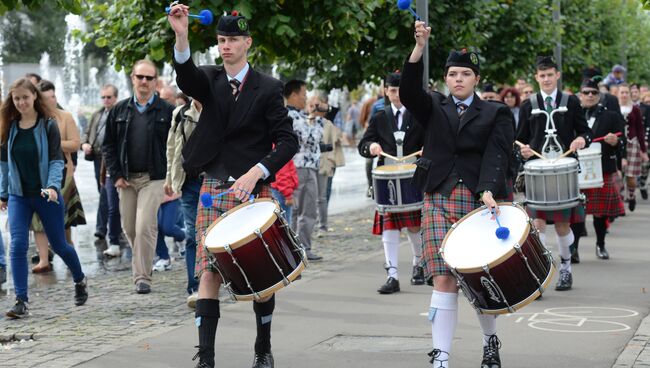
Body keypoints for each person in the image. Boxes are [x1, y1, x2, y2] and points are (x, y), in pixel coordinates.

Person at [168, 6, 298, 368]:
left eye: (233, 40)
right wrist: (181, 35)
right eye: (222, 40)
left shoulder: (269, 88)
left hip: (252, 189)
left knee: (262, 273)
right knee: (208, 269)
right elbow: (185, 76)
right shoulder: (208, 79)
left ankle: (263, 350)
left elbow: (288, 142)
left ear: (247, 43)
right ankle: (206, 359)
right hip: (213, 184)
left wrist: (257, 172)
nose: (226, 46)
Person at [401, 21, 514, 367]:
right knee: (443, 276)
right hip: (437, 196)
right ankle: (441, 356)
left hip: (478, 201)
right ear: (446, 78)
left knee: (480, 278)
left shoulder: (496, 111)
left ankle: (489, 341)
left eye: (466, 73)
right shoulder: (433, 106)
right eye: (453, 73)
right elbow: (408, 92)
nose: (459, 78)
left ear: (476, 78)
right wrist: (419, 48)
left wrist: (489, 190)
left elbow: (498, 153)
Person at [0, 78, 88, 318]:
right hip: (19, 196)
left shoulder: (47, 125)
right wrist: (3, 193)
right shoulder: (9, 126)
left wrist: (51, 186)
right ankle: (21, 300)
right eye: (16, 98)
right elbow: (4, 164)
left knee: (59, 245)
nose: (20, 102)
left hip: (45, 195)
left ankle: (80, 280)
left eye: (25, 98)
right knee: (17, 245)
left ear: (34, 97)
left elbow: (56, 160)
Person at [517, 56, 592, 291]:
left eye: (550, 75)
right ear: (537, 78)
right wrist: (524, 151)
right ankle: (541, 274)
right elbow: (520, 139)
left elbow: (585, 131)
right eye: (542, 75)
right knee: (537, 225)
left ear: (557, 75)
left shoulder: (570, 101)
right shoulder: (529, 103)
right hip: (537, 173)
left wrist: (581, 139)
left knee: (562, 225)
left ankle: (566, 269)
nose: (547, 79)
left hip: (564, 170)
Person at [102, 59, 175, 294]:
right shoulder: (119, 110)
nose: (144, 81)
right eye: (140, 77)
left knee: (144, 226)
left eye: (149, 78)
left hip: (154, 177)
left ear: (155, 81)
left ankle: (142, 277)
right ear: (133, 78)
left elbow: (176, 146)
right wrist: (116, 175)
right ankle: (145, 262)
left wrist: (173, 177)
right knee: (130, 229)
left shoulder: (167, 111)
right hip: (126, 178)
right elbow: (108, 146)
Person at [358, 71, 425, 294]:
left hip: (412, 176)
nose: (397, 94)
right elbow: (364, 144)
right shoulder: (380, 116)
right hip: (388, 181)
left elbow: (431, 141)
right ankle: (392, 275)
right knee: (390, 226)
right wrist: (372, 148)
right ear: (386, 91)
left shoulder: (418, 115)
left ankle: (418, 264)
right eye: (393, 90)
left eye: (400, 90)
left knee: (415, 226)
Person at [31, 80, 86, 273]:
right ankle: (44, 259)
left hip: (64, 175)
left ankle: (68, 250)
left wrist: (53, 142)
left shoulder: (65, 117)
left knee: (63, 219)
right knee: (38, 220)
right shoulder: (34, 119)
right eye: (46, 98)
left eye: (53, 96)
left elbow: (75, 144)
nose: (51, 100)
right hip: (37, 176)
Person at [578, 78, 626, 259]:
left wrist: (616, 141)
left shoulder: (611, 116)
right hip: (577, 170)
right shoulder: (571, 116)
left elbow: (623, 141)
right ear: (580, 95)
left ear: (599, 95)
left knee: (600, 212)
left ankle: (600, 244)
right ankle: (573, 249)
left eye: (594, 92)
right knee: (576, 211)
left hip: (602, 168)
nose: (590, 95)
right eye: (586, 92)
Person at [164, 97, 203, 307]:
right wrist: (170, 178)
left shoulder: (221, 107)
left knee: (214, 233)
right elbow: (172, 147)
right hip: (189, 181)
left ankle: (218, 279)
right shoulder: (180, 113)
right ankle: (194, 287)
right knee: (192, 234)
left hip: (215, 181)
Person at [284, 80, 325, 261]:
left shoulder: (295, 115)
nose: (306, 98)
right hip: (301, 167)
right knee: (305, 211)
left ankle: (297, 249)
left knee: (298, 211)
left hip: (301, 167)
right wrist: (315, 119)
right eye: (304, 94)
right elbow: (311, 139)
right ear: (293, 95)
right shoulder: (293, 117)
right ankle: (301, 250)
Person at [82, 84, 125, 254]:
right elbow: (86, 132)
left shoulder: (121, 112)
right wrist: (84, 143)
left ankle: (105, 228)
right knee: (103, 193)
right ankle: (104, 227)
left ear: (115, 97)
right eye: (103, 97)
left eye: (109, 97)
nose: (106, 100)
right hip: (98, 157)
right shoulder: (97, 114)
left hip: (112, 159)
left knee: (109, 195)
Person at [309, 94, 344, 235]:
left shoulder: (328, 120)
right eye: (312, 105)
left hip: (326, 163)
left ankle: (322, 225)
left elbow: (336, 139)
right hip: (310, 164)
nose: (315, 108)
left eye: (317, 105)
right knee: (312, 197)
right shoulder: (305, 120)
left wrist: (331, 160)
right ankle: (315, 223)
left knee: (323, 196)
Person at [618, 83, 649, 211]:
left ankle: (631, 196)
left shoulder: (635, 109)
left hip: (633, 144)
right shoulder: (614, 108)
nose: (624, 95)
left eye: (627, 92)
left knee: (631, 176)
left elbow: (640, 130)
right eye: (622, 92)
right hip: (618, 144)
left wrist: (643, 150)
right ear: (618, 94)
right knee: (618, 175)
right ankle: (619, 204)